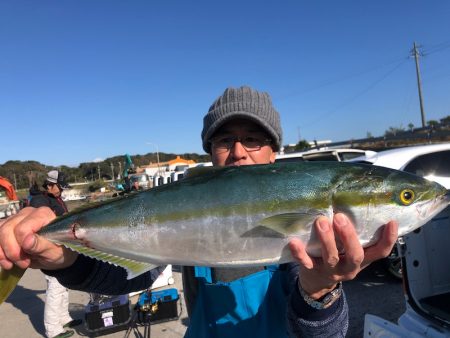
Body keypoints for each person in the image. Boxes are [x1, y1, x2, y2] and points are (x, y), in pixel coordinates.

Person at [0, 86, 398, 337]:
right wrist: (61, 257)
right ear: (210, 152)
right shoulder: (187, 195)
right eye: (225, 140)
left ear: (274, 150)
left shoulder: (313, 220)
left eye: (254, 139)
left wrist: (320, 290)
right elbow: (123, 277)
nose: (239, 151)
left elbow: (326, 333)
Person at [29, 170, 82, 338]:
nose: (62, 191)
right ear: (50, 185)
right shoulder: (40, 201)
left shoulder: (53, 198)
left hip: (61, 248)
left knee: (63, 286)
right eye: (60, 188)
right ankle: (52, 329)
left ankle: (64, 318)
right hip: (50, 251)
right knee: (55, 288)